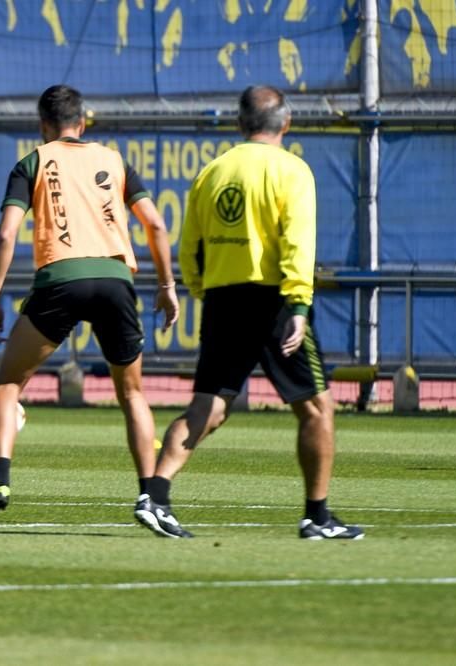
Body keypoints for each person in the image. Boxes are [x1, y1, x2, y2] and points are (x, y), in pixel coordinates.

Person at [148, 86, 364, 540]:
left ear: (241, 124)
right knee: (317, 408)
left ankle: (156, 495)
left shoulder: (213, 171)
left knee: (208, 405)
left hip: (224, 298)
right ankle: (317, 516)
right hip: (274, 301)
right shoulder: (292, 170)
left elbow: (190, 246)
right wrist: (299, 305)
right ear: (285, 124)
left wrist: (202, 291)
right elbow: (297, 244)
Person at [0, 84, 179, 524]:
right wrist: (167, 284)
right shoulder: (114, 160)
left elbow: (6, 234)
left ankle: (1, 478)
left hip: (60, 280)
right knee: (132, 393)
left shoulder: (34, 161)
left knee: (8, 384)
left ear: (43, 125)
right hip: (115, 278)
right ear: (82, 122)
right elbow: (156, 225)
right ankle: (150, 498)